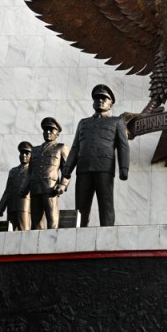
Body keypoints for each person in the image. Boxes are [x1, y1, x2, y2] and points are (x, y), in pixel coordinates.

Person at [64, 84, 130, 227]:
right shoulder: (83, 123)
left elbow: (123, 146)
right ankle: (78, 235)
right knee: (81, 207)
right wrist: (67, 168)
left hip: (104, 168)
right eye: (97, 98)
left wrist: (124, 168)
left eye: (104, 98)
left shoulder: (117, 121)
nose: (100, 100)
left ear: (110, 103)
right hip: (83, 169)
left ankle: (107, 234)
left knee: (105, 205)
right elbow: (76, 147)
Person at [29, 117, 70, 229]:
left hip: (50, 188)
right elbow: (30, 172)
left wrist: (63, 184)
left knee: (52, 220)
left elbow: (67, 170)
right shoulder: (35, 150)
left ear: (57, 133)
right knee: (35, 222)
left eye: (51, 130)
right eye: (45, 130)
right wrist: (25, 187)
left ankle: (52, 243)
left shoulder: (61, 147)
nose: (48, 132)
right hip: (35, 188)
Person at [0, 141, 33, 230]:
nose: (24, 155)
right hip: (11, 205)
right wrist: (1, 208)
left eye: (27, 153)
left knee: (23, 229)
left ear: (31, 156)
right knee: (10, 230)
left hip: (24, 204)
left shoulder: (32, 170)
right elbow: (7, 191)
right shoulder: (13, 171)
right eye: (22, 153)